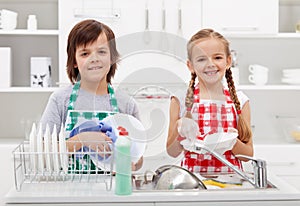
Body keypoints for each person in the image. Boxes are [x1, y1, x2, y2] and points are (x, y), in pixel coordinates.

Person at [40, 19, 142, 171]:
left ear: (112, 57)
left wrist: (130, 164)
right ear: (74, 61)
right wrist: (82, 139)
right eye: (85, 53)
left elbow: (138, 156)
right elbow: (43, 152)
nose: (94, 59)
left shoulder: (126, 104)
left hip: (112, 190)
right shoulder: (60, 100)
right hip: (69, 190)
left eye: (101, 52)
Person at [166, 28, 253, 174]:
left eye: (217, 57)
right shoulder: (179, 100)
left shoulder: (240, 100)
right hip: (192, 185)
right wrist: (179, 129)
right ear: (191, 66)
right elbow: (172, 152)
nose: (210, 64)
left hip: (230, 185)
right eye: (201, 59)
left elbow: (247, 155)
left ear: (228, 61)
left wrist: (232, 142)